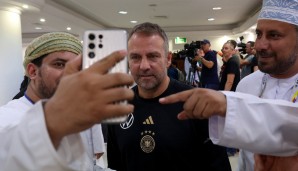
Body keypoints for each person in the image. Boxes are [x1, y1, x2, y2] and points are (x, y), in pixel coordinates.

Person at [159, 0, 298, 170]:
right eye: (259, 34)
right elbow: (246, 159)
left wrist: (228, 104)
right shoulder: (248, 85)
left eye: (274, 35)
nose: (260, 45)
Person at [0, 32, 135, 171]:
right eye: (59, 64)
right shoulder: (6, 119)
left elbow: (86, 166)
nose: (70, 75)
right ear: (33, 71)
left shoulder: (77, 115)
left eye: (77, 68)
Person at [107, 22, 231, 171]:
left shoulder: (195, 104)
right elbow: (116, 166)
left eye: (153, 56)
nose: (144, 66)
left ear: (168, 59)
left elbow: (218, 166)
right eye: (135, 57)